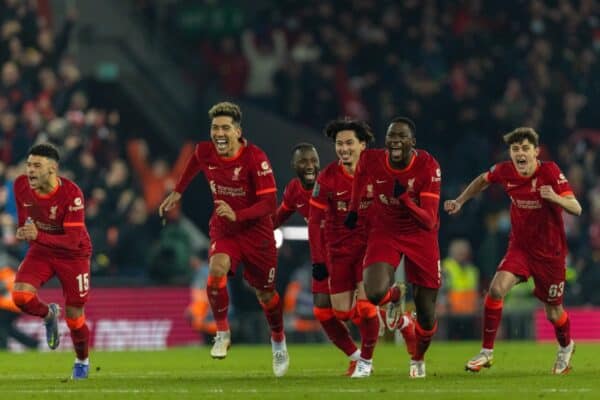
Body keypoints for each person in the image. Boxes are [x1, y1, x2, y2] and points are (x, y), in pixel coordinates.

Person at [159, 102, 289, 377]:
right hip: (224, 229)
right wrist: (179, 191)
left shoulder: (255, 158)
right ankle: (222, 332)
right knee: (216, 271)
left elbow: (269, 204)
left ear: (238, 131)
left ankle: (278, 340)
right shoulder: (205, 151)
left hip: (257, 233)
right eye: (215, 127)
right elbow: (195, 161)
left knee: (266, 295)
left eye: (225, 128)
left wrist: (238, 213)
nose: (219, 132)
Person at [444, 127, 581, 375]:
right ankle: (486, 352)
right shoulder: (504, 170)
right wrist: (460, 201)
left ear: (536, 152)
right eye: (515, 149)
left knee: (553, 312)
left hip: (551, 254)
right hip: (520, 248)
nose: (520, 153)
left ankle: (565, 347)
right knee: (496, 289)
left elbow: (577, 208)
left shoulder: (549, 171)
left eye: (525, 148)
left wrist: (555, 198)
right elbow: (482, 181)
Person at [346, 116, 440, 378]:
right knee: (374, 292)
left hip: (420, 235)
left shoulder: (428, 167)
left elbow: (430, 221)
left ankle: (418, 357)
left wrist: (406, 200)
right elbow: (359, 177)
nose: (395, 141)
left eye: (401, 137)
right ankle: (394, 296)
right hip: (385, 230)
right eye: (391, 136)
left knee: (427, 315)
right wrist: (353, 210)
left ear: (412, 142)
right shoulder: (371, 159)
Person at [273, 142, 362, 376]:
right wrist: (253, 231)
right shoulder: (293, 190)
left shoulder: (331, 182)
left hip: (346, 252)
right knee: (323, 312)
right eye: (304, 161)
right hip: (322, 257)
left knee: (351, 309)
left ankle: (396, 319)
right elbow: (280, 215)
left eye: (313, 160)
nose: (310, 166)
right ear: (294, 165)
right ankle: (356, 357)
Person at [308, 118, 381, 378]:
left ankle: (366, 362)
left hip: (369, 248)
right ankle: (389, 302)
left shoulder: (377, 170)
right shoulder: (327, 178)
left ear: (363, 145)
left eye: (350, 143)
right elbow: (314, 221)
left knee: (365, 308)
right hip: (338, 251)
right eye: (340, 144)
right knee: (341, 312)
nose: (344, 148)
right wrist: (317, 260)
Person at [12, 143, 93, 379]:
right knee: (21, 296)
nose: (30, 171)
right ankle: (49, 315)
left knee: (75, 317)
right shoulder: (20, 186)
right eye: (28, 165)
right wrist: (23, 233)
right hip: (42, 250)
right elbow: (24, 221)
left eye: (37, 165)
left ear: (53, 169)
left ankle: (81, 361)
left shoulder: (72, 194)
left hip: (74, 255)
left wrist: (38, 235)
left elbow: (71, 241)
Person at [0, 265, 39, 350]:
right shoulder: (10, 274)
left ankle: (3, 347)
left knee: (2, 326)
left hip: (6, 306)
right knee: (6, 327)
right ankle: (32, 343)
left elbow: (2, 289)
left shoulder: (3, 275)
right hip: (16, 306)